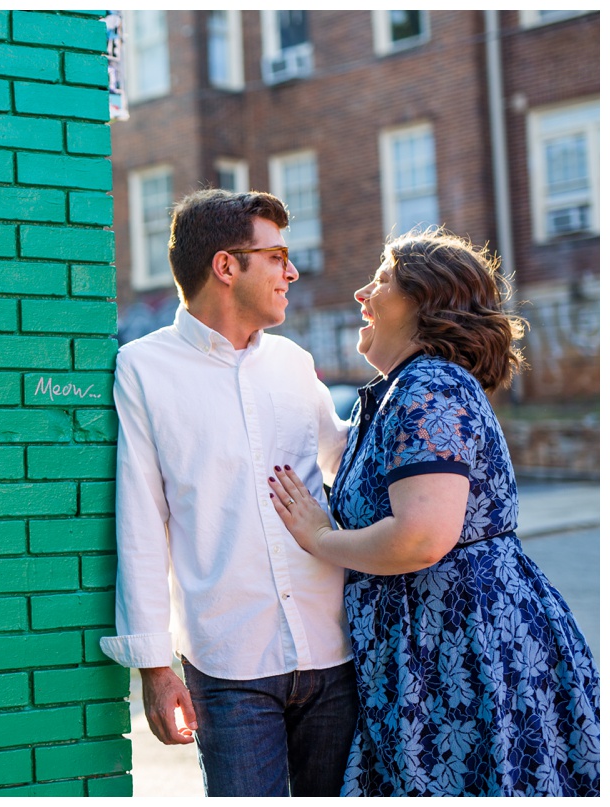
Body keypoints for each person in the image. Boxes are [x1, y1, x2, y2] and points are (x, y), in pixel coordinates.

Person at [267, 229, 600, 796]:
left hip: (462, 658)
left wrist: (319, 537)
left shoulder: (431, 387)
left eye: (382, 278)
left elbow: (421, 537)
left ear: (423, 303)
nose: (361, 292)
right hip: (434, 653)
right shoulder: (404, 390)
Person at [100, 188, 356, 796]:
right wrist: (155, 669)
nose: (291, 272)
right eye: (276, 257)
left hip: (333, 649)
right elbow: (140, 522)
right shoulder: (143, 369)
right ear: (226, 266)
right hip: (228, 664)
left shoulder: (294, 362)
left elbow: (348, 460)